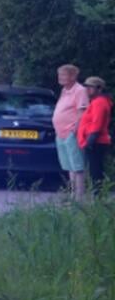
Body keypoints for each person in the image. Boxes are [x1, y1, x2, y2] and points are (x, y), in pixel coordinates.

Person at [54, 64, 91, 200]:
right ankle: (72, 196)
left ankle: (79, 198)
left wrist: (75, 131)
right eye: (60, 75)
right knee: (69, 166)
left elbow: (83, 112)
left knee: (77, 166)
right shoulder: (64, 90)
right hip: (61, 133)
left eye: (63, 75)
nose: (60, 78)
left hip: (71, 133)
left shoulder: (79, 90)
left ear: (73, 76)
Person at [77, 76, 111, 195]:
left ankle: (98, 197)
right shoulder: (95, 102)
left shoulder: (100, 102)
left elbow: (97, 124)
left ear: (99, 89)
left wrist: (89, 142)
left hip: (96, 142)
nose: (87, 89)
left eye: (90, 87)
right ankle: (97, 196)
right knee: (94, 171)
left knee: (95, 172)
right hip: (94, 141)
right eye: (86, 87)